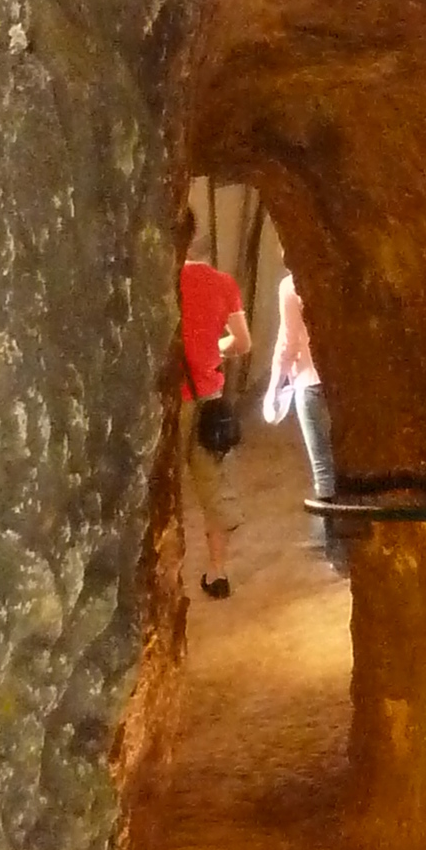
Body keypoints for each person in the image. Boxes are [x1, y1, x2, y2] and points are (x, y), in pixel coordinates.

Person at [177, 243, 252, 598]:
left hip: (167, 403)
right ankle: (217, 572)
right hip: (208, 399)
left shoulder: (161, 281)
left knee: (161, 489)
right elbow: (242, 342)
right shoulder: (222, 283)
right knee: (214, 488)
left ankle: (164, 576)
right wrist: (212, 351)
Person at [262, 267, 344, 575]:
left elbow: (289, 344)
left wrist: (274, 388)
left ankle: (331, 543)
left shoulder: (292, 285)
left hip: (311, 383)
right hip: (344, 384)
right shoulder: (337, 274)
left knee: (323, 467)